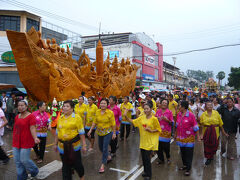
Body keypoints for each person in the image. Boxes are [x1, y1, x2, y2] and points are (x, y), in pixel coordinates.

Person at [124, 101, 161, 180]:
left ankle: (149, 174)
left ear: (151, 109)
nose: (146, 110)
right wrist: (125, 116)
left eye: (147, 109)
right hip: (143, 142)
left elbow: (158, 129)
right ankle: (145, 172)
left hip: (150, 142)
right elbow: (133, 122)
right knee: (144, 158)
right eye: (144, 109)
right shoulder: (142, 117)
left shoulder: (154, 119)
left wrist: (151, 130)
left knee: (147, 159)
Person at [54, 100, 86, 180]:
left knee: (77, 164)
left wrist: (84, 145)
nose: (65, 108)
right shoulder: (60, 118)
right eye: (64, 106)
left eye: (67, 106)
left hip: (74, 147)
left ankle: (81, 177)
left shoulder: (77, 118)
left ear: (72, 108)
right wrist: (55, 144)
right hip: (62, 147)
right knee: (65, 166)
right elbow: (57, 133)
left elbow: (81, 133)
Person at [12, 100, 39, 180]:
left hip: (26, 141)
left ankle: (34, 170)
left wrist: (35, 137)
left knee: (24, 160)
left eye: (22, 105)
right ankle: (22, 176)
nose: (20, 107)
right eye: (19, 105)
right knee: (17, 161)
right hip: (16, 141)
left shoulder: (31, 116)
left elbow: (32, 127)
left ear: (26, 106)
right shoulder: (17, 116)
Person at [88, 98, 116, 173]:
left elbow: (113, 124)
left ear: (107, 105)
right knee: (100, 147)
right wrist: (90, 130)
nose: (102, 105)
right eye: (101, 103)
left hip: (108, 132)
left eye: (104, 103)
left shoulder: (110, 113)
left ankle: (103, 164)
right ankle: (108, 157)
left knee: (104, 148)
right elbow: (94, 122)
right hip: (99, 132)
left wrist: (114, 133)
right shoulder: (97, 112)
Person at [175, 101, 200, 176]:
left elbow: (196, 127)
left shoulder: (191, 115)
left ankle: (188, 169)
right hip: (181, 138)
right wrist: (176, 134)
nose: (178, 107)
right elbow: (177, 125)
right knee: (183, 153)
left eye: (179, 106)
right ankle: (185, 165)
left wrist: (198, 137)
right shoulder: (179, 114)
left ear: (183, 107)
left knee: (189, 153)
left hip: (189, 138)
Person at [200, 101, 228, 165]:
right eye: (208, 105)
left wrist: (224, 132)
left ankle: (212, 155)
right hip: (206, 132)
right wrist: (201, 134)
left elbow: (220, 124)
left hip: (215, 132)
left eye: (211, 105)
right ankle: (208, 158)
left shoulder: (216, 113)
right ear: (205, 107)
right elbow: (201, 125)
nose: (210, 106)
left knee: (215, 145)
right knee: (207, 145)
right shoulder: (203, 114)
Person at [155, 99, 174, 164]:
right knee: (158, 147)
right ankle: (161, 159)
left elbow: (172, 123)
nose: (164, 104)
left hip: (166, 133)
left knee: (166, 147)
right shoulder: (158, 111)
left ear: (167, 105)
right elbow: (154, 120)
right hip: (158, 132)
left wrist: (167, 120)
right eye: (163, 102)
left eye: (165, 103)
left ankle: (168, 158)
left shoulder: (170, 112)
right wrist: (157, 119)